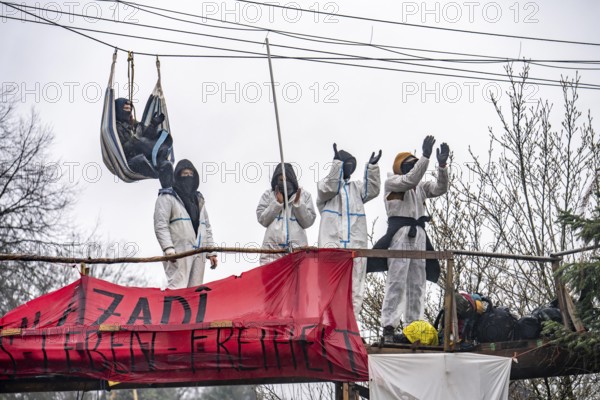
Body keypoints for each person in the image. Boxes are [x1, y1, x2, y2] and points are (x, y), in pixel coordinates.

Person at [377, 135, 449, 343]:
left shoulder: (420, 188)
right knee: (396, 281)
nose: (414, 168)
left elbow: (440, 188)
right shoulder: (393, 181)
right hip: (400, 234)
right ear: (401, 167)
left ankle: (414, 327)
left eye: (415, 164)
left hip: (419, 235)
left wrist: (442, 166)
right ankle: (389, 327)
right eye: (410, 164)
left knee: (417, 283)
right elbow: (411, 179)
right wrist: (425, 157)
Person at [317, 143, 381, 321]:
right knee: (329, 287)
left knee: (355, 288)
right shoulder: (325, 188)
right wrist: (336, 165)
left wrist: (372, 168)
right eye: (346, 165)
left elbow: (372, 190)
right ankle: (327, 327)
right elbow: (328, 188)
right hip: (331, 247)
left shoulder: (356, 189)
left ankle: (349, 328)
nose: (349, 169)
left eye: (351, 166)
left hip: (355, 246)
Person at [154, 159, 218, 289]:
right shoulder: (168, 196)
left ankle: (192, 310)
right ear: (177, 176)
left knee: (195, 290)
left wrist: (211, 252)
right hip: (179, 250)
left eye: (190, 174)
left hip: (199, 250)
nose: (188, 177)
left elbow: (207, 227)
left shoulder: (198, 200)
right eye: (184, 174)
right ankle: (173, 310)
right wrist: (169, 249)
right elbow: (161, 225)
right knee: (177, 287)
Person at [257, 163, 316, 265]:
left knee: (298, 280)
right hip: (272, 253)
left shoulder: (304, 196)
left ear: (292, 180)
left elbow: (308, 222)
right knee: (271, 280)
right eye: (280, 180)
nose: (283, 182)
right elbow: (262, 219)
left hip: (297, 252)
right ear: (276, 180)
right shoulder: (268, 195)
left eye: (286, 179)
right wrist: (277, 203)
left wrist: (298, 204)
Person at [115, 97, 174, 188]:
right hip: (130, 161)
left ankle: (169, 190)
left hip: (147, 155)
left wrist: (153, 124)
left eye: (130, 109)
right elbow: (122, 150)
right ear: (118, 110)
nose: (128, 111)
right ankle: (158, 156)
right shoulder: (116, 128)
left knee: (167, 164)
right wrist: (135, 140)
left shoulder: (134, 124)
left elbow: (146, 135)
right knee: (141, 145)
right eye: (125, 109)